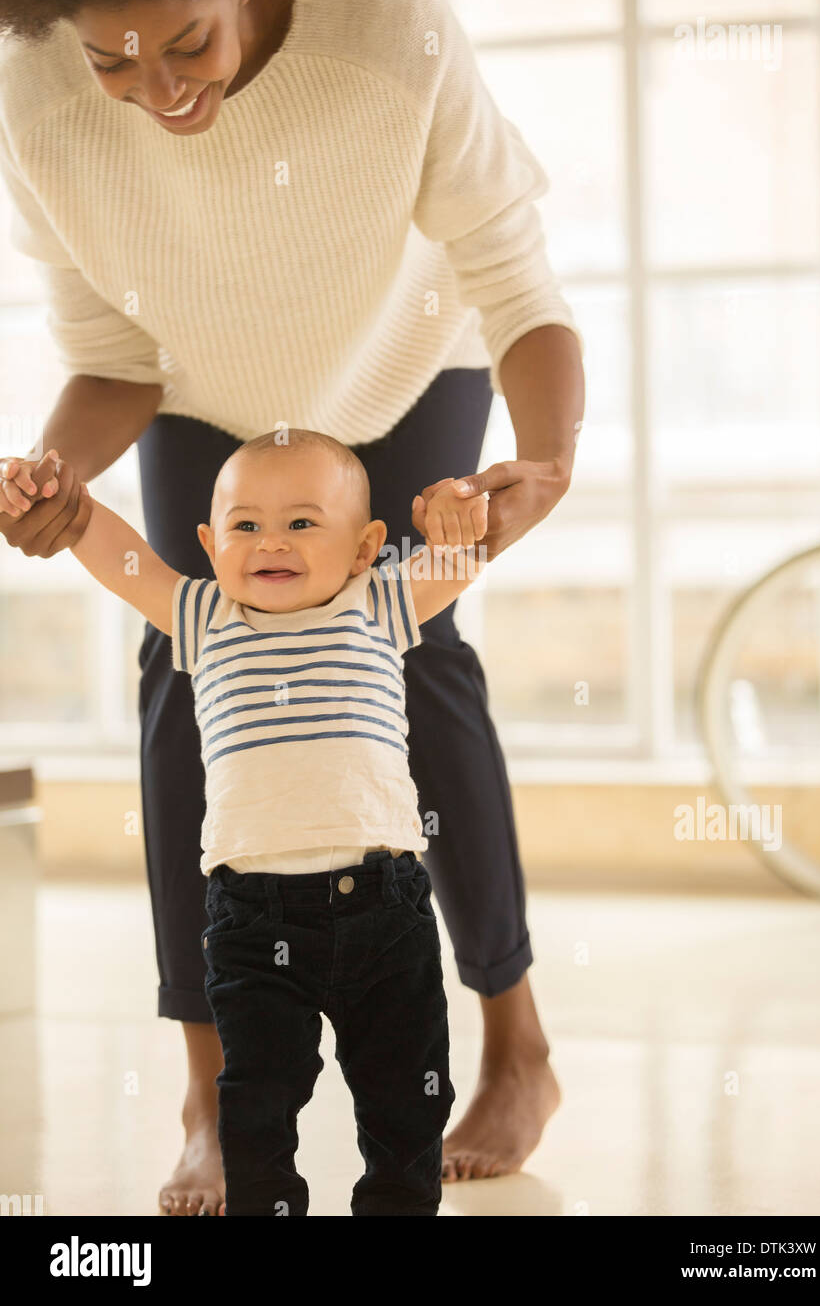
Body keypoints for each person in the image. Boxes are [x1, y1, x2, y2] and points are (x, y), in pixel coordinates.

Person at [0, 0, 585, 1212]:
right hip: (203, 395)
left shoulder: (382, 15)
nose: (159, 92)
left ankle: (515, 1035)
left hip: (406, 354)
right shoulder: (28, 76)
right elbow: (110, 352)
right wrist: (54, 479)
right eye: (114, 63)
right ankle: (210, 1091)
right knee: (179, 676)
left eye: (191, 43)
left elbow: (519, 287)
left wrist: (544, 461)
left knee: (421, 666)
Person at [25, 428, 491, 1214]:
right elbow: (116, 553)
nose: (271, 541)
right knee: (255, 1105)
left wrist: (459, 516)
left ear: (365, 546)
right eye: (245, 526)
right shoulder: (203, 615)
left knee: (405, 1099)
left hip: (384, 909)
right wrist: (61, 505)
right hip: (251, 917)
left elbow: (466, 556)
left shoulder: (378, 601)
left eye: (303, 523)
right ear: (210, 544)